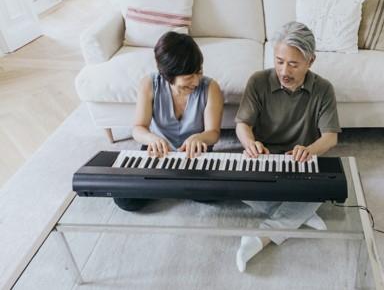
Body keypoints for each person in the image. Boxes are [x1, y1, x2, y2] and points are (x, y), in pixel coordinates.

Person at [235, 21, 341, 272]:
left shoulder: (323, 89)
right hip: (264, 160)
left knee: (325, 185)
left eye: (293, 64)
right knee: (235, 185)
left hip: (299, 162)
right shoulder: (258, 81)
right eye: (279, 60)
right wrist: (250, 143)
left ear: (310, 61)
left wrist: (310, 150)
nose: (284, 70)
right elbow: (242, 124)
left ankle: (259, 238)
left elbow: (330, 137)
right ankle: (301, 215)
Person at [114, 31, 223, 212]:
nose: (196, 81)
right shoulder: (149, 84)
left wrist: (200, 138)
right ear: (167, 75)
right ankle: (174, 184)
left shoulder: (211, 87)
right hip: (159, 151)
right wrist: (151, 139)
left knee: (216, 193)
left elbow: (213, 133)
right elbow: (138, 128)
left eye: (199, 72)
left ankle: (165, 184)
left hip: (194, 153)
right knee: (125, 200)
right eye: (189, 77)